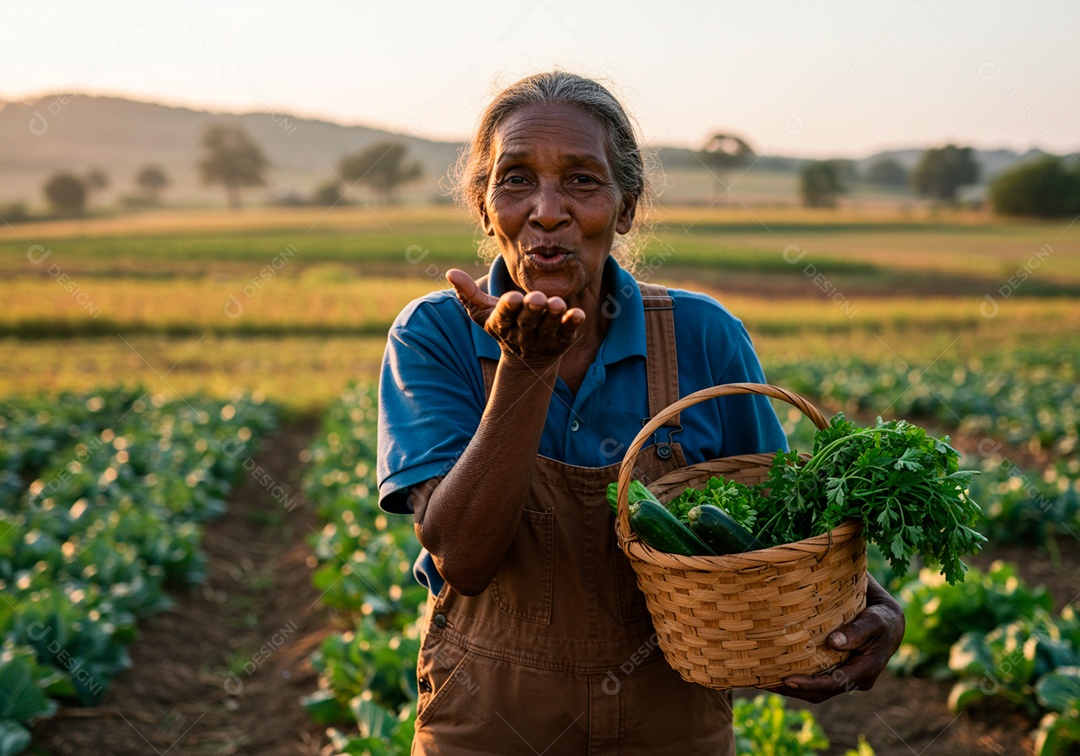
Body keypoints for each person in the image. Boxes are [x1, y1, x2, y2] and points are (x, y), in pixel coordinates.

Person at [377, 71, 904, 755]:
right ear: (484, 207)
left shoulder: (703, 336)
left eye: (581, 181)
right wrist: (525, 367)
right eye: (515, 180)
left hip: (673, 725)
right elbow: (463, 557)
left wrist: (870, 605)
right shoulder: (434, 336)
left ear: (626, 207)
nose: (546, 209)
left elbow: (778, 527)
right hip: (490, 726)